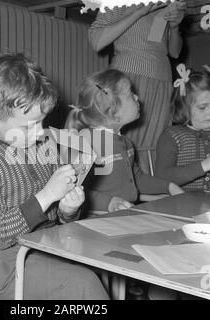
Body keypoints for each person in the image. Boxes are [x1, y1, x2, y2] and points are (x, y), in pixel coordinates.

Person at [0, 53, 109, 300]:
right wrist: (47, 194)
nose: (41, 133)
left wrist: (68, 208)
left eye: (42, 122)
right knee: (82, 283)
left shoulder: (43, 147)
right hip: (5, 263)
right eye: (30, 125)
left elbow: (58, 218)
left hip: (47, 244)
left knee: (101, 263)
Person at [65, 68, 183, 213]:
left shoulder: (126, 143)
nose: (137, 97)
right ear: (113, 112)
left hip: (124, 216)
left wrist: (168, 186)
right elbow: (73, 187)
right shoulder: (88, 144)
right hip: (96, 220)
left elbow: (137, 179)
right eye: (130, 94)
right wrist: (108, 203)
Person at [88, 1, 186, 173]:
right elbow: (97, 41)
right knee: (120, 141)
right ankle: (119, 192)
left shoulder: (166, 3)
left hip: (162, 78)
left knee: (157, 144)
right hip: (129, 76)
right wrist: (137, 12)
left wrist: (175, 27)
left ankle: (152, 193)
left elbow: (175, 52)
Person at [155, 64, 210, 191]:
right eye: (202, 107)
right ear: (183, 107)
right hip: (183, 205)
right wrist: (203, 166)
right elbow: (161, 177)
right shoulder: (172, 136)